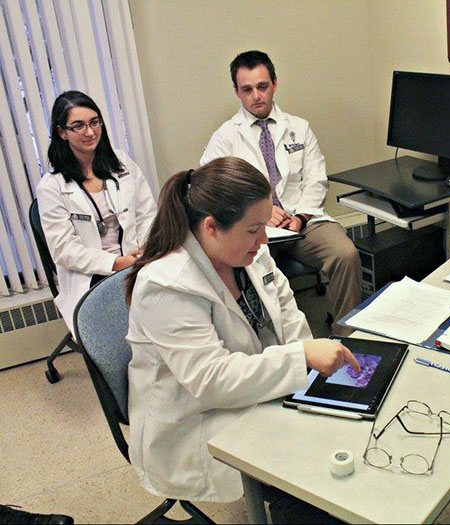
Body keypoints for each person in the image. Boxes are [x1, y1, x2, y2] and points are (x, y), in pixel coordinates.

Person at [125, 157, 359, 522]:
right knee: (306, 482)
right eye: (253, 230)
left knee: (342, 435)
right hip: (197, 419)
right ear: (212, 228)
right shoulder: (166, 284)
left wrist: (311, 380)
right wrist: (301, 357)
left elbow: (288, 316)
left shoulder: (250, 252)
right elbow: (211, 381)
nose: (264, 239)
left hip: (254, 390)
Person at [200, 50, 361, 336]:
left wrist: (300, 217)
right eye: (247, 89)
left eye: (262, 86)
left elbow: (316, 179)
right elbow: (212, 191)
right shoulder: (225, 138)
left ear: (274, 83)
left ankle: (347, 336)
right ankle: (275, 345)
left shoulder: (299, 128)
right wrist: (259, 214)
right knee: (255, 274)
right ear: (237, 92)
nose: (256, 96)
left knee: (345, 254)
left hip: (303, 222)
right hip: (254, 228)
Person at [36, 90, 156, 334]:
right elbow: (64, 249)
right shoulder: (51, 187)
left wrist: (145, 249)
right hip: (92, 274)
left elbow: (147, 214)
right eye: (78, 126)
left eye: (94, 122)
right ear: (62, 132)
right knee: (132, 323)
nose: (90, 132)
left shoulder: (122, 164)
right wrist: (115, 263)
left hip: (137, 259)